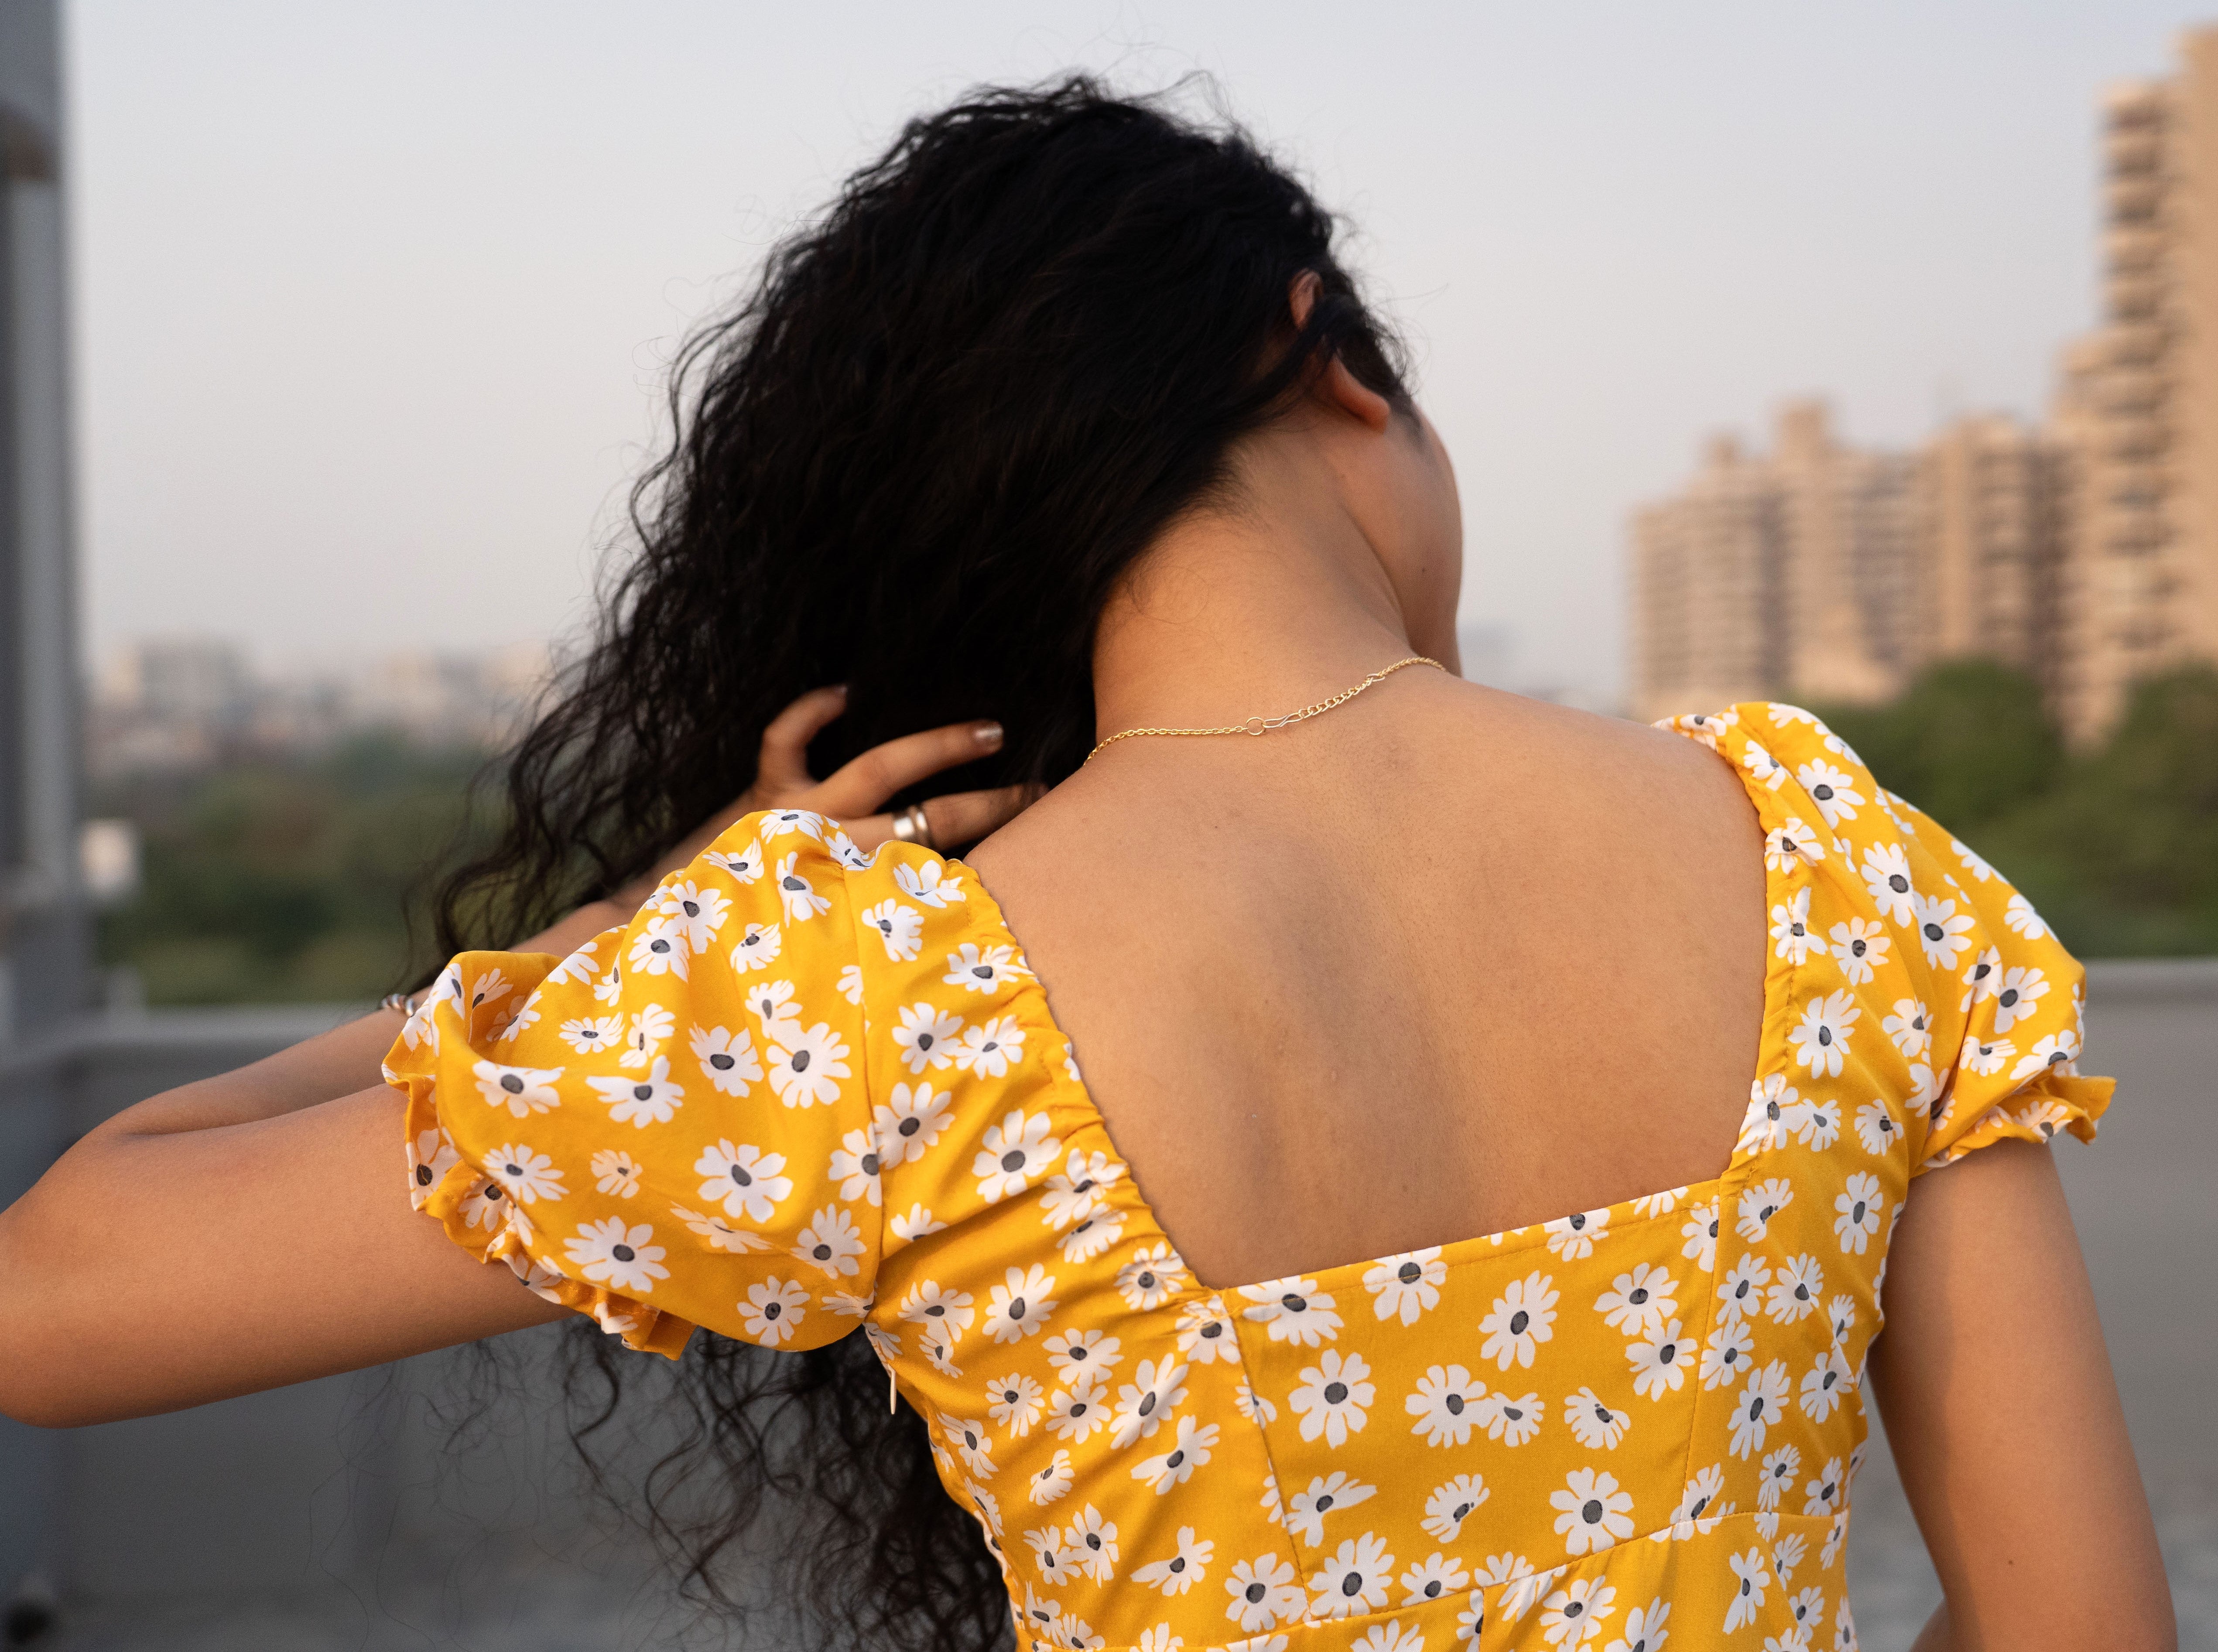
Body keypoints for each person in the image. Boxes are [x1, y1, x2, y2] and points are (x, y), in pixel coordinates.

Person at [0, 79, 2174, 1652]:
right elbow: (2076, 1615)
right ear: (1319, 355)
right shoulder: (1833, 868)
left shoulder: (869, 996)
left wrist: (620, 942)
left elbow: (50, 1293)